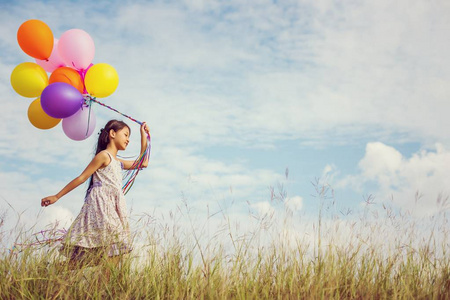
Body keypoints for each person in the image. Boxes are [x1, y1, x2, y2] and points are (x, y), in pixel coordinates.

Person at [41, 119, 150, 269]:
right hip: (101, 206)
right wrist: (57, 196)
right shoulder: (104, 156)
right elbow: (82, 177)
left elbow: (143, 163)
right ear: (112, 133)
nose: (128, 139)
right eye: (125, 134)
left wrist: (143, 135)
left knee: (99, 256)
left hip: (114, 207)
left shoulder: (118, 162)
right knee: (115, 248)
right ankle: (103, 288)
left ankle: (52, 269)